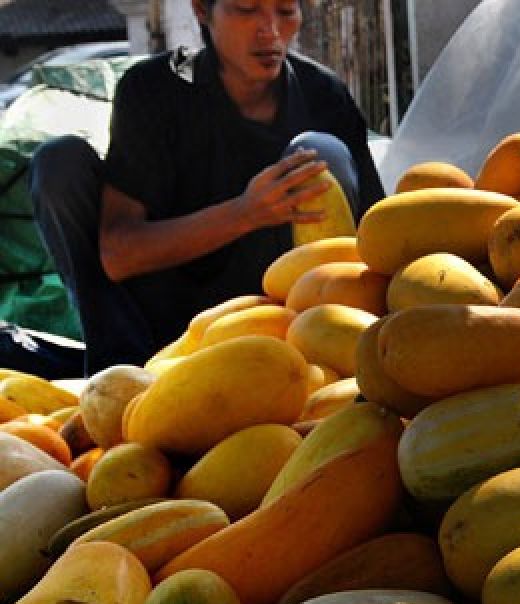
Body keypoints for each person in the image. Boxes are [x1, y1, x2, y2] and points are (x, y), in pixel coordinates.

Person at [27, 0, 386, 375]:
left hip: (273, 324)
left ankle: (322, 363)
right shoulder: (152, 90)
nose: (270, 30)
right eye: (246, 10)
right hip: (159, 320)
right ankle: (114, 371)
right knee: (58, 162)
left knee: (322, 151)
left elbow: (372, 240)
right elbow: (119, 255)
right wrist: (245, 213)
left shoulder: (323, 96)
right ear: (202, 10)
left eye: (285, 11)